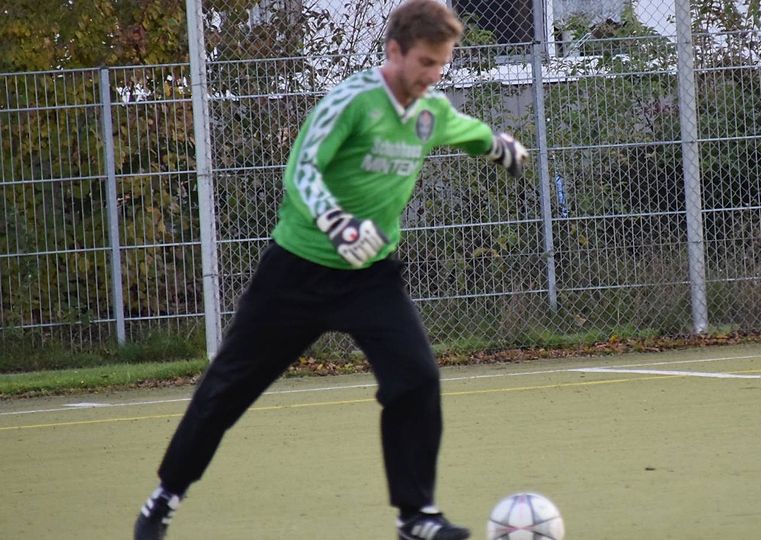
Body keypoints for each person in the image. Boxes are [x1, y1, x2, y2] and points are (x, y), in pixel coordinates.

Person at [133, 1, 528, 539]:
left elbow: (465, 130)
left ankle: (416, 516)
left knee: (416, 378)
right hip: (296, 272)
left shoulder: (430, 111)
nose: (434, 75)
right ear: (394, 51)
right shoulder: (353, 101)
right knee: (227, 388)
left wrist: (497, 146)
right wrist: (337, 221)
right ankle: (165, 496)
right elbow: (303, 168)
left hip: (370, 277)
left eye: (443, 63)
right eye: (426, 62)